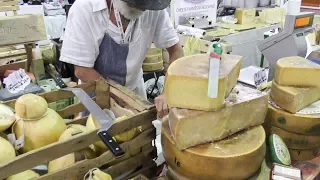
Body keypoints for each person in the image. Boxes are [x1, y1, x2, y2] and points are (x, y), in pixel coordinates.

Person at [60, 0, 184, 118]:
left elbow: (176, 52)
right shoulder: (85, 8)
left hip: (134, 92)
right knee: (99, 137)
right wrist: (125, 101)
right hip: (97, 93)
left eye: (144, 5)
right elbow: (82, 70)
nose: (140, 8)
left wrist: (168, 91)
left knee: (139, 136)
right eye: (133, 3)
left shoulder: (154, 7)